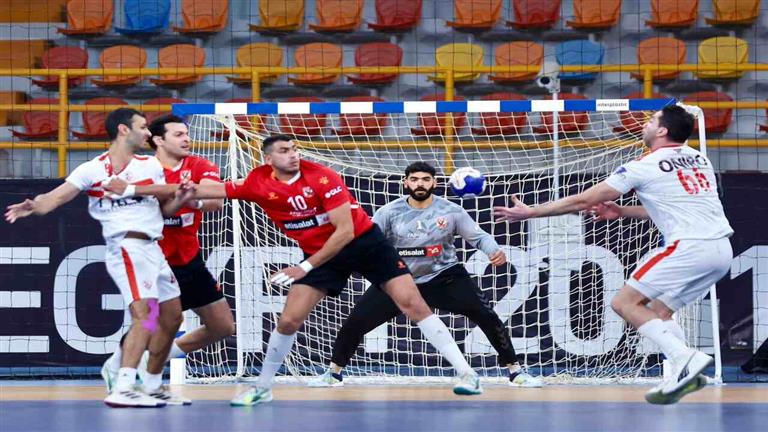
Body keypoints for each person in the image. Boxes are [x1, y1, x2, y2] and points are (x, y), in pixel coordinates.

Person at [103, 134, 484, 406]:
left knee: (412, 304)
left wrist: (304, 266)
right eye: (284, 151)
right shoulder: (257, 182)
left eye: (295, 149)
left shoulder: (323, 177)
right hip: (317, 256)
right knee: (288, 320)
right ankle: (262, 387)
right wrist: (138, 190)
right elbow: (202, 192)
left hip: (363, 245)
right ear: (269, 158)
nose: (293, 155)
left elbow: (344, 231)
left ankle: (466, 373)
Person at [493, 105, 733, 405]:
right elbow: (666, 208)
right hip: (720, 251)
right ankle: (682, 375)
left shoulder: (643, 165)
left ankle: (684, 357)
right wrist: (621, 211)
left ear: (662, 131)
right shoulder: (699, 159)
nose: (644, 124)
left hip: (689, 248)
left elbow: (584, 200)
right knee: (659, 311)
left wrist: (531, 212)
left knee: (623, 303)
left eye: (651, 121)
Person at [5, 108, 194, 407]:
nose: (148, 133)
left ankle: (152, 385)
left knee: (172, 318)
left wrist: (180, 198)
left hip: (153, 248)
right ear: (123, 130)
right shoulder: (91, 170)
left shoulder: (150, 165)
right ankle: (123, 386)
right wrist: (35, 205)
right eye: (142, 127)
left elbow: (164, 208)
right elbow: (55, 197)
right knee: (145, 316)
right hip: (128, 248)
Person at [308, 161, 542, 388]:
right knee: (355, 322)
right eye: (414, 179)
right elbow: (368, 240)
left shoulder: (451, 211)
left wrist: (493, 251)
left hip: (444, 277)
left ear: (435, 183)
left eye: (425, 179)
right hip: (398, 279)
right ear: (406, 183)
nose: (420, 183)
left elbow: (479, 237)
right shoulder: (389, 211)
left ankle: (515, 371)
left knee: (487, 316)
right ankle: (333, 373)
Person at [100, 115, 234, 393]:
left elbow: (216, 201)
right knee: (150, 322)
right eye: (178, 134)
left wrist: (189, 199)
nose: (187, 139)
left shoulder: (200, 165)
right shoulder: (140, 169)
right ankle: (117, 366)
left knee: (222, 326)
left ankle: (148, 359)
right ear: (158, 140)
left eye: (187, 133)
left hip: (189, 258)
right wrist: (177, 195)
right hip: (153, 260)